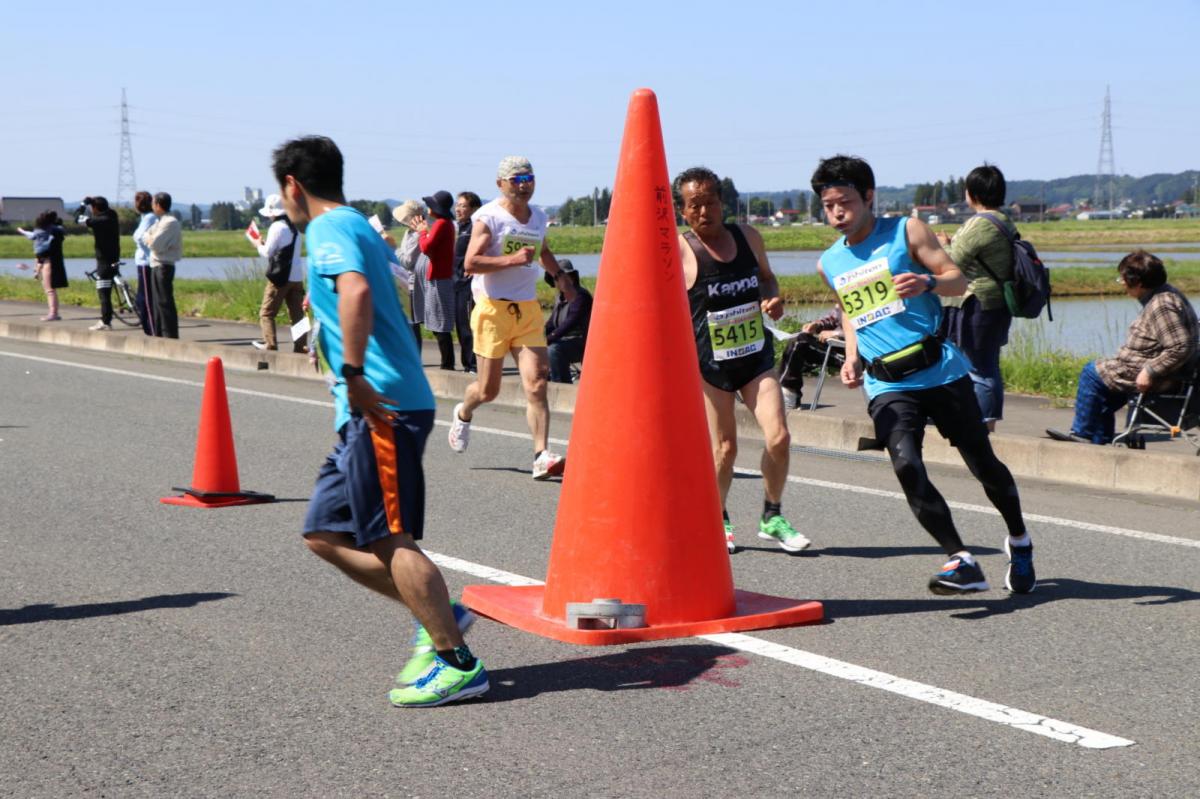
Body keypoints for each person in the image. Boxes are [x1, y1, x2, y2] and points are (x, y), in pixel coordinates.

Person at [273, 135, 488, 708]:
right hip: (366, 410)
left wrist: (352, 371)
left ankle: (458, 663)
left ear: (293, 185)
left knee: (389, 537)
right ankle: (443, 615)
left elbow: (358, 290)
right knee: (323, 534)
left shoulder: (327, 228)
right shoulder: (355, 225)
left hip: (381, 405)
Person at [812, 154, 1034, 594]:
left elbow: (957, 280)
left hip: (939, 370)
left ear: (869, 196)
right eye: (828, 205)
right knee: (907, 466)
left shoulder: (907, 231)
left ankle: (1019, 539)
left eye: (845, 202)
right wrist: (851, 356)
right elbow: (849, 311)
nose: (837, 213)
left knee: (983, 464)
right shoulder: (829, 262)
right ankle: (961, 559)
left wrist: (928, 283)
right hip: (887, 382)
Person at [675, 166, 810, 555]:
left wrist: (773, 297)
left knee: (779, 437)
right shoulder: (680, 250)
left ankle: (772, 515)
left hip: (755, 359)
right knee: (725, 449)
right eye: (695, 205)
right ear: (683, 211)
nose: (704, 212)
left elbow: (767, 278)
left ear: (723, 202)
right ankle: (716, 518)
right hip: (711, 367)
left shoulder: (748, 237)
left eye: (710, 202)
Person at [447, 156, 567, 480]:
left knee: (537, 382)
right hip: (492, 310)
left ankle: (541, 455)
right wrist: (511, 260)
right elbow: (471, 263)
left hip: (526, 309)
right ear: (500, 184)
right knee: (488, 390)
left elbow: (542, 251)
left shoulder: (538, 216)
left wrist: (560, 277)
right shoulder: (489, 218)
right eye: (516, 180)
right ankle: (464, 411)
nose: (524, 185)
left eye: (529, 178)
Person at [1047, 250, 1198, 445]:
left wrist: (1149, 371)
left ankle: (1083, 433)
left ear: (1138, 283)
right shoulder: (1165, 293)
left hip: (1158, 374)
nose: (1122, 284)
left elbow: (1180, 346)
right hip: (1155, 369)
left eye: (1123, 279)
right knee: (1103, 389)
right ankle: (1098, 441)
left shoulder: (1161, 305)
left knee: (1091, 373)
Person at [935, 164, 1016, 432]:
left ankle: (983, 425)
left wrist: (942, 244)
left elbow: (952, 262)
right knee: (985, 364)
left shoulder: (980, 223)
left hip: (978, 302)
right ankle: (980, 421)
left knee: (980, 368)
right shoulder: (1003, 219)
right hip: (993, 302)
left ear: (973, 193)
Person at [251, 193, 307, 352]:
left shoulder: (277, 227)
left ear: (273, 213)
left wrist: (258, 244)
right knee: (297, 316)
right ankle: (301, 346)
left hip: (280, 278)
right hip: (296, 277)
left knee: (267, 313)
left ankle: (270, 343)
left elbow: (267, 252)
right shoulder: (295, 227)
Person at [416, 190, 458, 370]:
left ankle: (447, 364)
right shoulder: (446, 224)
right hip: (440, 276)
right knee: (438, 321)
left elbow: (426, 247)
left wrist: (422, 232)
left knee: (440, 322)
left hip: (439, 277)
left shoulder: (441, 224)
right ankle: (447, 363)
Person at [777, 305, 844, 409]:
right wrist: (817, 325)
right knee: (800, 339)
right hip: (833, 345)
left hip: (852, 353)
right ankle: (788, 392)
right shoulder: (843, 301)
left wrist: (836, 333)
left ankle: (788, 395)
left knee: (799, 342)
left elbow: (866, 333)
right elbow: (832, 319)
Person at [543, 259, 592, 384]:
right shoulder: (559, 297)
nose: (559, 281)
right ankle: (545, 381)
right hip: (564, 340)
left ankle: (561, 385)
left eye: (562, 277)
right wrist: (539, 335)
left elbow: (570, 322)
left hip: (583, 343)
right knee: (537, 347)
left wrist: (550, 338)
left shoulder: (581, 296)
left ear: (571, 278)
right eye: (556, 279)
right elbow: (552, 323)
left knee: (554, 349)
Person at [78, 196, 120, 331]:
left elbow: (78, 219)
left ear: (95, 208)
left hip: (104, 262)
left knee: (103, 293)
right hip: (114, 257)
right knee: (109, 287)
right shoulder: (112, 215)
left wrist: (83, 204)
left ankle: (105, 321)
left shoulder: (98, 220)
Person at [143, 192, 182, 339]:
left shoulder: (170, 222)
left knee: (164, 301)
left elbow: (155, 244)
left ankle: (169, 335)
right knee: (157, 302)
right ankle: (159, 334)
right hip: (156, 264)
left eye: (153, 203)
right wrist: (150, 238)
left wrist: (150, 238)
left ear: (158, 205)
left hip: (164, 265)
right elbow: (145, 235)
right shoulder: (160, 222)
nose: (152, 206)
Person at [17, 210, 66, 321]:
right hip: (52, 261)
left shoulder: (42, 232)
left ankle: (53, 313)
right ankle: (54, 313)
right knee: (51, 289)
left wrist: (22, 231)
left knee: (49, 290)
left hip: (47, 262)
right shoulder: (56, 231)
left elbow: (35, 242)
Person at [452, 192, 482, 372]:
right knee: (460, 325)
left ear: (474, 209)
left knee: (468, 326)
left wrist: (475, 269)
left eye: (463, 206)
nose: (458, 209)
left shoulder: (474, 228)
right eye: (457, 205)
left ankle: (473, 364)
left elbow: (484, 249)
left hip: (469, 284)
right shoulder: (461, 228)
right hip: (457, 282)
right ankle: (467, 364)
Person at [131, 191, 158, 335]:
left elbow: (139, 237)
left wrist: (145, 250)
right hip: (144, 261)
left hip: (145, 262)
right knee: (143, 297)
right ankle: (150, 328)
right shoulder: (147, 217)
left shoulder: (149, 217)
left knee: (145, 298)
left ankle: (151, 330)